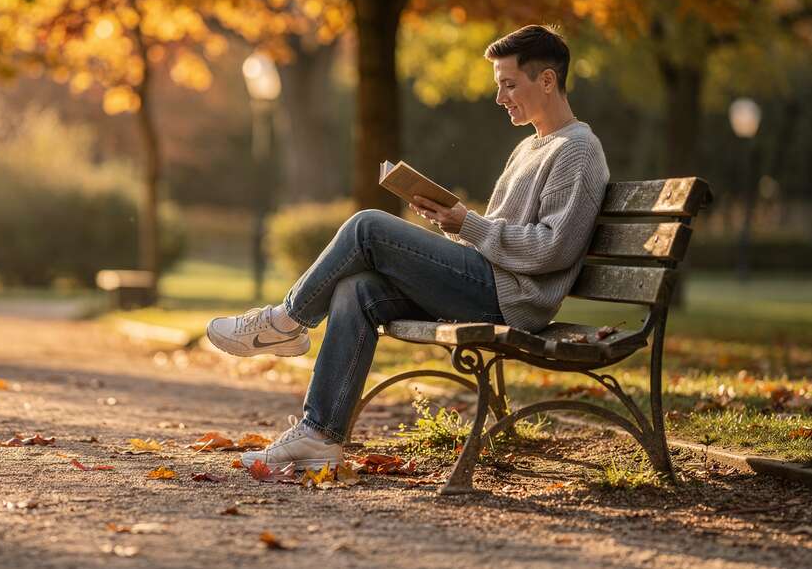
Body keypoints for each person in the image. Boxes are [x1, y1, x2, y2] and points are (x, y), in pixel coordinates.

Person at [207, 24, 609, 471]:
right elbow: (496, 235)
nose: (501, 98)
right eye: (500, 86)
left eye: (509, 85)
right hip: (491, 281)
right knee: (356, 289)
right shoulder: (530, 147)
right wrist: (451, 222)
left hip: (513, 300)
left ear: (548, 80)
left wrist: (469, 224)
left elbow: (553, 248)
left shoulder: (577, 150)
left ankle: (284, 322)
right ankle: (320, 434)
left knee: (368, 226)